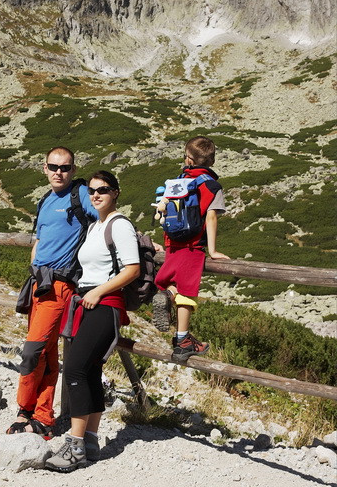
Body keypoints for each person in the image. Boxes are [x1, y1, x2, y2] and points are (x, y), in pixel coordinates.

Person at [45, 170, 140, 472]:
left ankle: (74, 447)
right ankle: (89, 442)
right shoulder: (96, 226)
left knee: (74, 369)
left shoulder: (119, 225)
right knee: (91, 369)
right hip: (87, 303)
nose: (96, 195)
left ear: (116, 193)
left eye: (104, 190)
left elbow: (133, 268)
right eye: (92, 190)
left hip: (105, 304)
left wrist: (99, 291)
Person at [6, 146, 98, 438]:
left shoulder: (80, 194)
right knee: (44, 352)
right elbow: (41, 238)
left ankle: (26, 410)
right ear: (44, 168)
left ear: (74, 170)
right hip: (37, 283)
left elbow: (105, 214)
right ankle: (40, 416)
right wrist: (33, 264)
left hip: (60, 286)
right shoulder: (45, 199)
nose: (59, 172)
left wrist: (136, 239)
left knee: (32, 351)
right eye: (54, 167)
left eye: (65, 167)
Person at [152, 136, 229, 362]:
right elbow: (212, 217)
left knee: (176, 283)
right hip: (193, 244)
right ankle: (183, 341)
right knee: (187, 292)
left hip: (172, 243)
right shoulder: (211, 185)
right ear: (212, 160)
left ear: (188, 158)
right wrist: (213, 251)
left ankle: (168, 297)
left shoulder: (179, 179)